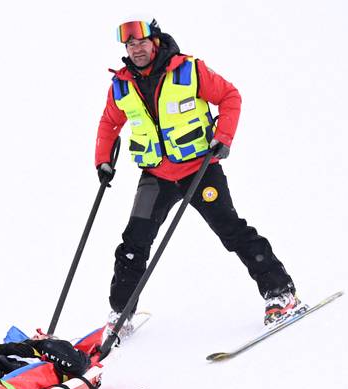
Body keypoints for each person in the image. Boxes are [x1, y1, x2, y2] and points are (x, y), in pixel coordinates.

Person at [96, 19, 304, 341]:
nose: (136, 49)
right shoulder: (122, 85)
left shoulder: (188, 71)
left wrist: (223, 137)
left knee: (231, 231)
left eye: (141, 42)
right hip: (156, 175)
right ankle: (121, 313)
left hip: (200, 168)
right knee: (133, 243)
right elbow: (110, 124)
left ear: (156, 41)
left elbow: (230, 96)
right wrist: (103, 161)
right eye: (130, 45)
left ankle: (280, 293)